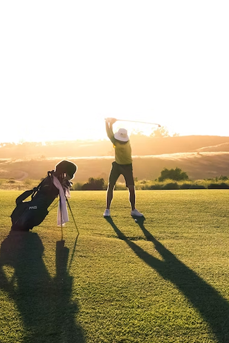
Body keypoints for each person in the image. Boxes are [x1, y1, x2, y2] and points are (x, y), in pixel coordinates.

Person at [103, 118, 143, 217]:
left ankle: (132, 210)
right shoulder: (127, 141)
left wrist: (108, 123)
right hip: (118, 165)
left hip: (126, 166)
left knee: (127, 187)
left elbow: (109, 133)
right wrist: (109, 123)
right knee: (115, 186)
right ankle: (108, 209)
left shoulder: (116, 142)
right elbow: (110, 134)